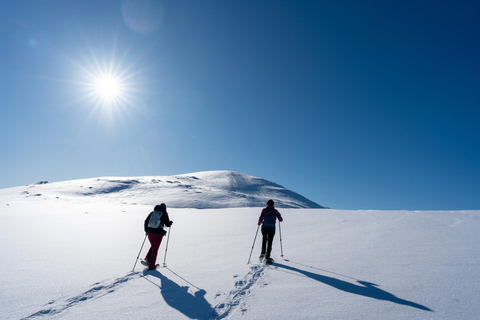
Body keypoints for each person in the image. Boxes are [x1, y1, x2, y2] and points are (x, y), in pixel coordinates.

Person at [142, 203, 173, 270]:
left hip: (150, 232)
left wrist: (147, 230)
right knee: (155, 249)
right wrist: (170, 223)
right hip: (158, 233)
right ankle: (151, 266)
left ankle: (147, 260)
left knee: (153, 246)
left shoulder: (152, 213)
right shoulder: (164, 214)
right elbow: (167, 224)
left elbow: (146, 221)